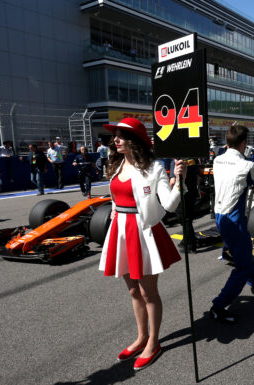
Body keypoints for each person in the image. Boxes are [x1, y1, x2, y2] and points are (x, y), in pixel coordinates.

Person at [98, 117, 186, 371]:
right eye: (115, 135)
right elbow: (115, 203)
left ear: (135, 140)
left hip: (144, 232)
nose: (115, 139)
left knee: (148, 293)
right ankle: (141, 337)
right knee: (133, 291)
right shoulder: (115, 165)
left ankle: (154, 342)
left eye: (121, 136)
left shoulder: (154, 167)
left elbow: (169, 205)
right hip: (120, 231)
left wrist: (179, 181)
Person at [211, 125, 254, 323]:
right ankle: (218, 305)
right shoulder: (247, 165)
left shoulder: (217, 160)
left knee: (246, 250)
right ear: (243, 143)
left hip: (219, 215)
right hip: (233, 219)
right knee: (242, 265)